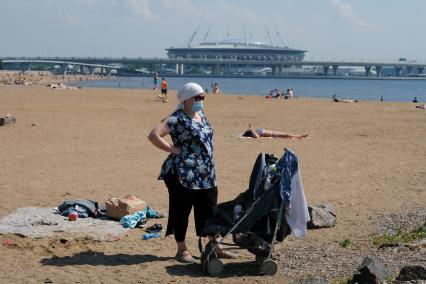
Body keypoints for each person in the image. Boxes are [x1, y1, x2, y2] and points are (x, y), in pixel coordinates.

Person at [148, 82, 233, 264]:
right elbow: (153, 135)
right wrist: (173, 150)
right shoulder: (176, 118)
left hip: (207, 174)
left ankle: (215, 245)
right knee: (181, 211)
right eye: (197, 98)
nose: (201, 101)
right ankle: (182, 250)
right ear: (186, 99)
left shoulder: (200, 115)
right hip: (184, 175)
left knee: (210, 209)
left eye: (203, 97)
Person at [242, 124, 308, 139]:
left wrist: (250, 128)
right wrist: (251, 130)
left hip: (274, 132)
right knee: (287, 135)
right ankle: (300, 136)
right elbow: (257, 137)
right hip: (274, 134)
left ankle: (299, 137)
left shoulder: (256, 131)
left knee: (287, 136)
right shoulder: (255, 134)